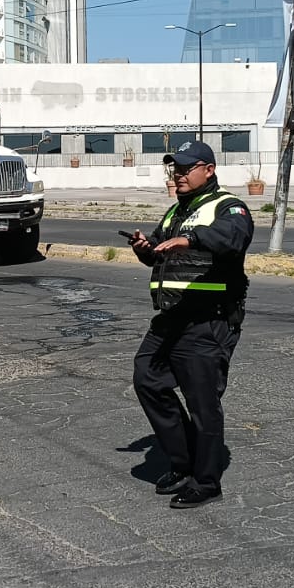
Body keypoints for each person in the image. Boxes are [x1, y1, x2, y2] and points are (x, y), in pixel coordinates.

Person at [125, 141, 254, 509]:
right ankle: (183, 462)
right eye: (174, 169)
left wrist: (191, 239)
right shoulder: (176, 212)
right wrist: (146, 249)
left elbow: (233, 238)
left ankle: (206, 481)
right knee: (147, 378)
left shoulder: (228, 207)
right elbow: (162, 253)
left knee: (202, 403)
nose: (178, 175)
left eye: (185, 168)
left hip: (208, 319)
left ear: (208, 170)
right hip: (172, 317)